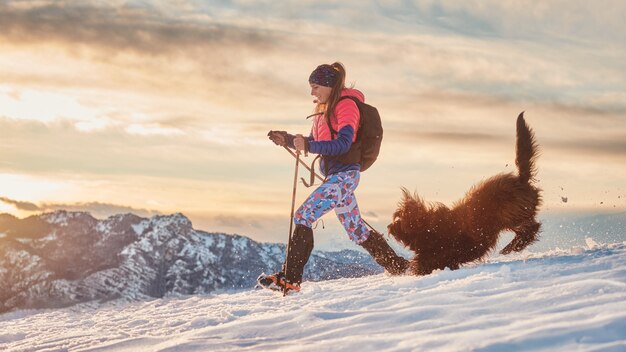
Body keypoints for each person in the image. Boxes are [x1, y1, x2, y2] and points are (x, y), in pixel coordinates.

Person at [263, 62, 408, 293]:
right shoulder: (323, 111)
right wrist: (287, 139)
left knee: (304, 215)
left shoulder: (346, 106)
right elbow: (312, 142)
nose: (312, 92)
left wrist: (308, 143)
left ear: (330, 85)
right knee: (356, 229)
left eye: (315, 86)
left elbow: (343, 143)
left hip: (345, 176)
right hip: (335, 177)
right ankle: (399, 266)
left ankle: (290, 279)